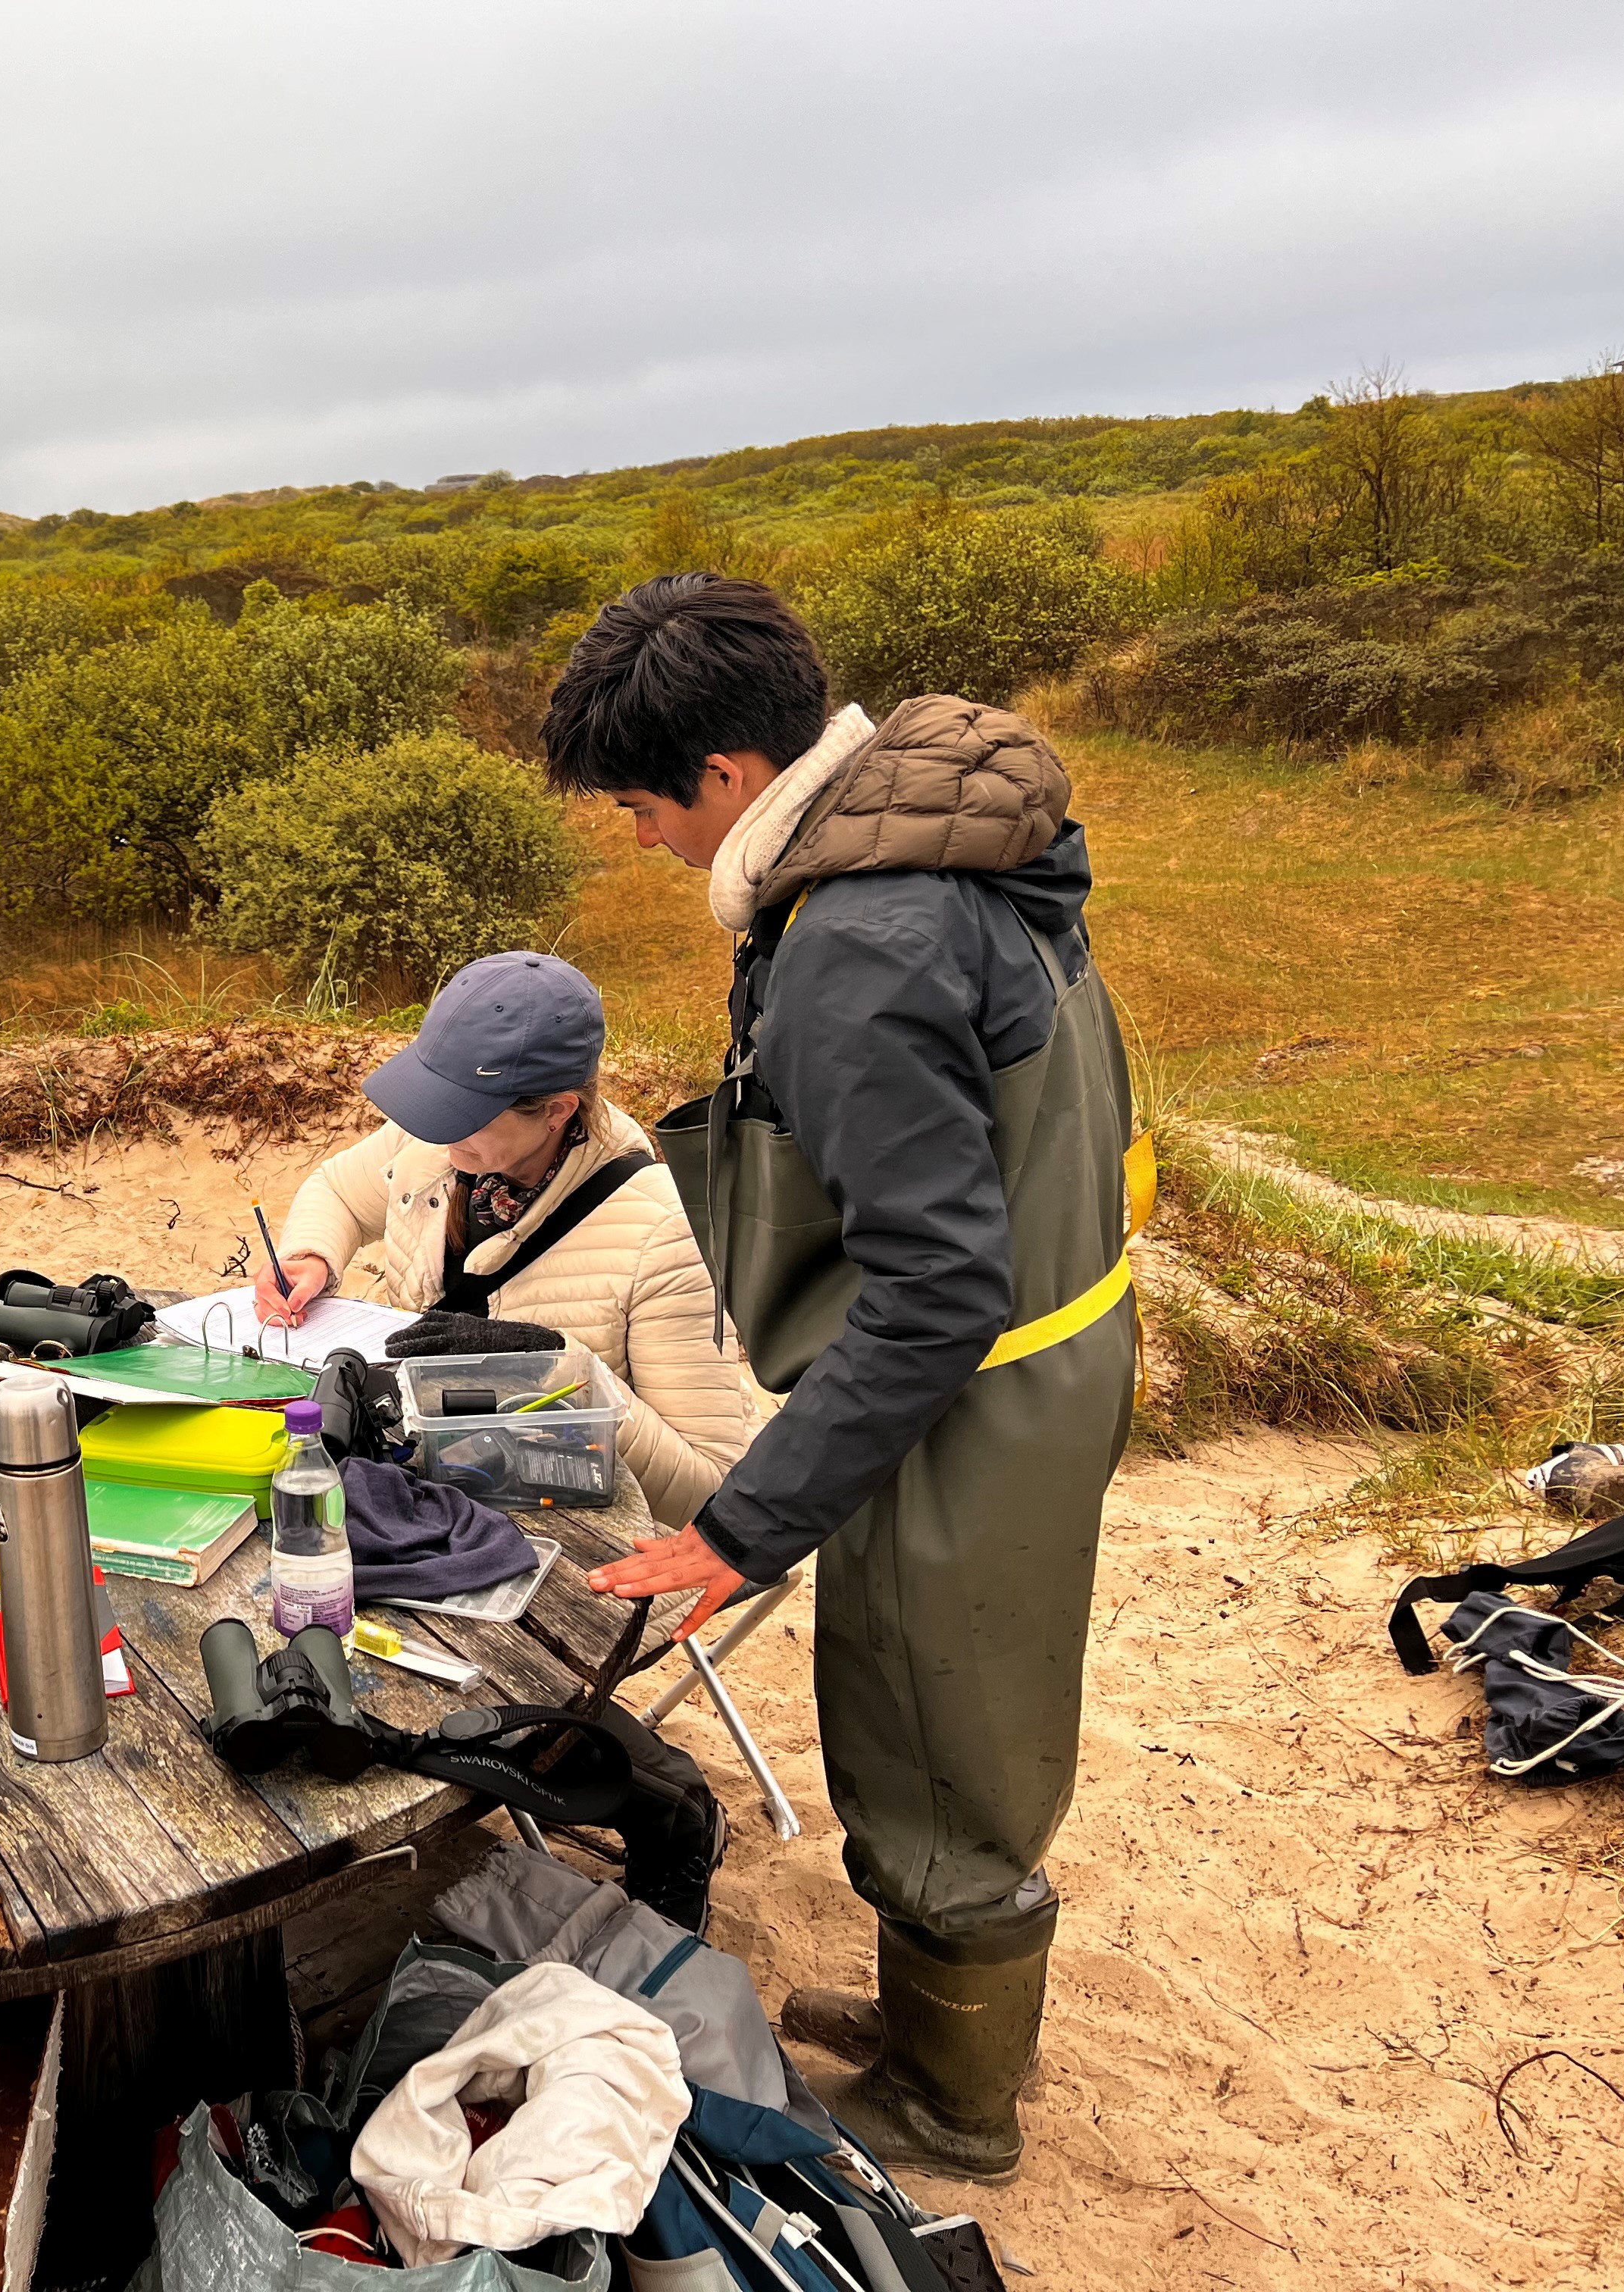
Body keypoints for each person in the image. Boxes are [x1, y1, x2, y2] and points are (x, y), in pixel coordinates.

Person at [543, 574, 1140, 2184]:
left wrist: (747, 1523)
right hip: (1053, 1341)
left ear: (727, 777)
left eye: (639, 806)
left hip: (973, 1396)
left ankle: (954, 2105)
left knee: (946, 1730)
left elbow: (938, 1295)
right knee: (924, 1696)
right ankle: (922, 2016)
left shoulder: (858, 949)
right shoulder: (944, 824)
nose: (641, 839)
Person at [255, 950, 759, 1530]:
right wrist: (310, 1258)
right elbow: (338, 1193)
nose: (438, 1135)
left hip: (562, 1542)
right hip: (414, 1488)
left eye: (463, 1113)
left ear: (557, 1111)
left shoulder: (664, 1234)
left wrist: (556, 1372)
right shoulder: (437, 1138)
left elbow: (707, 1492)